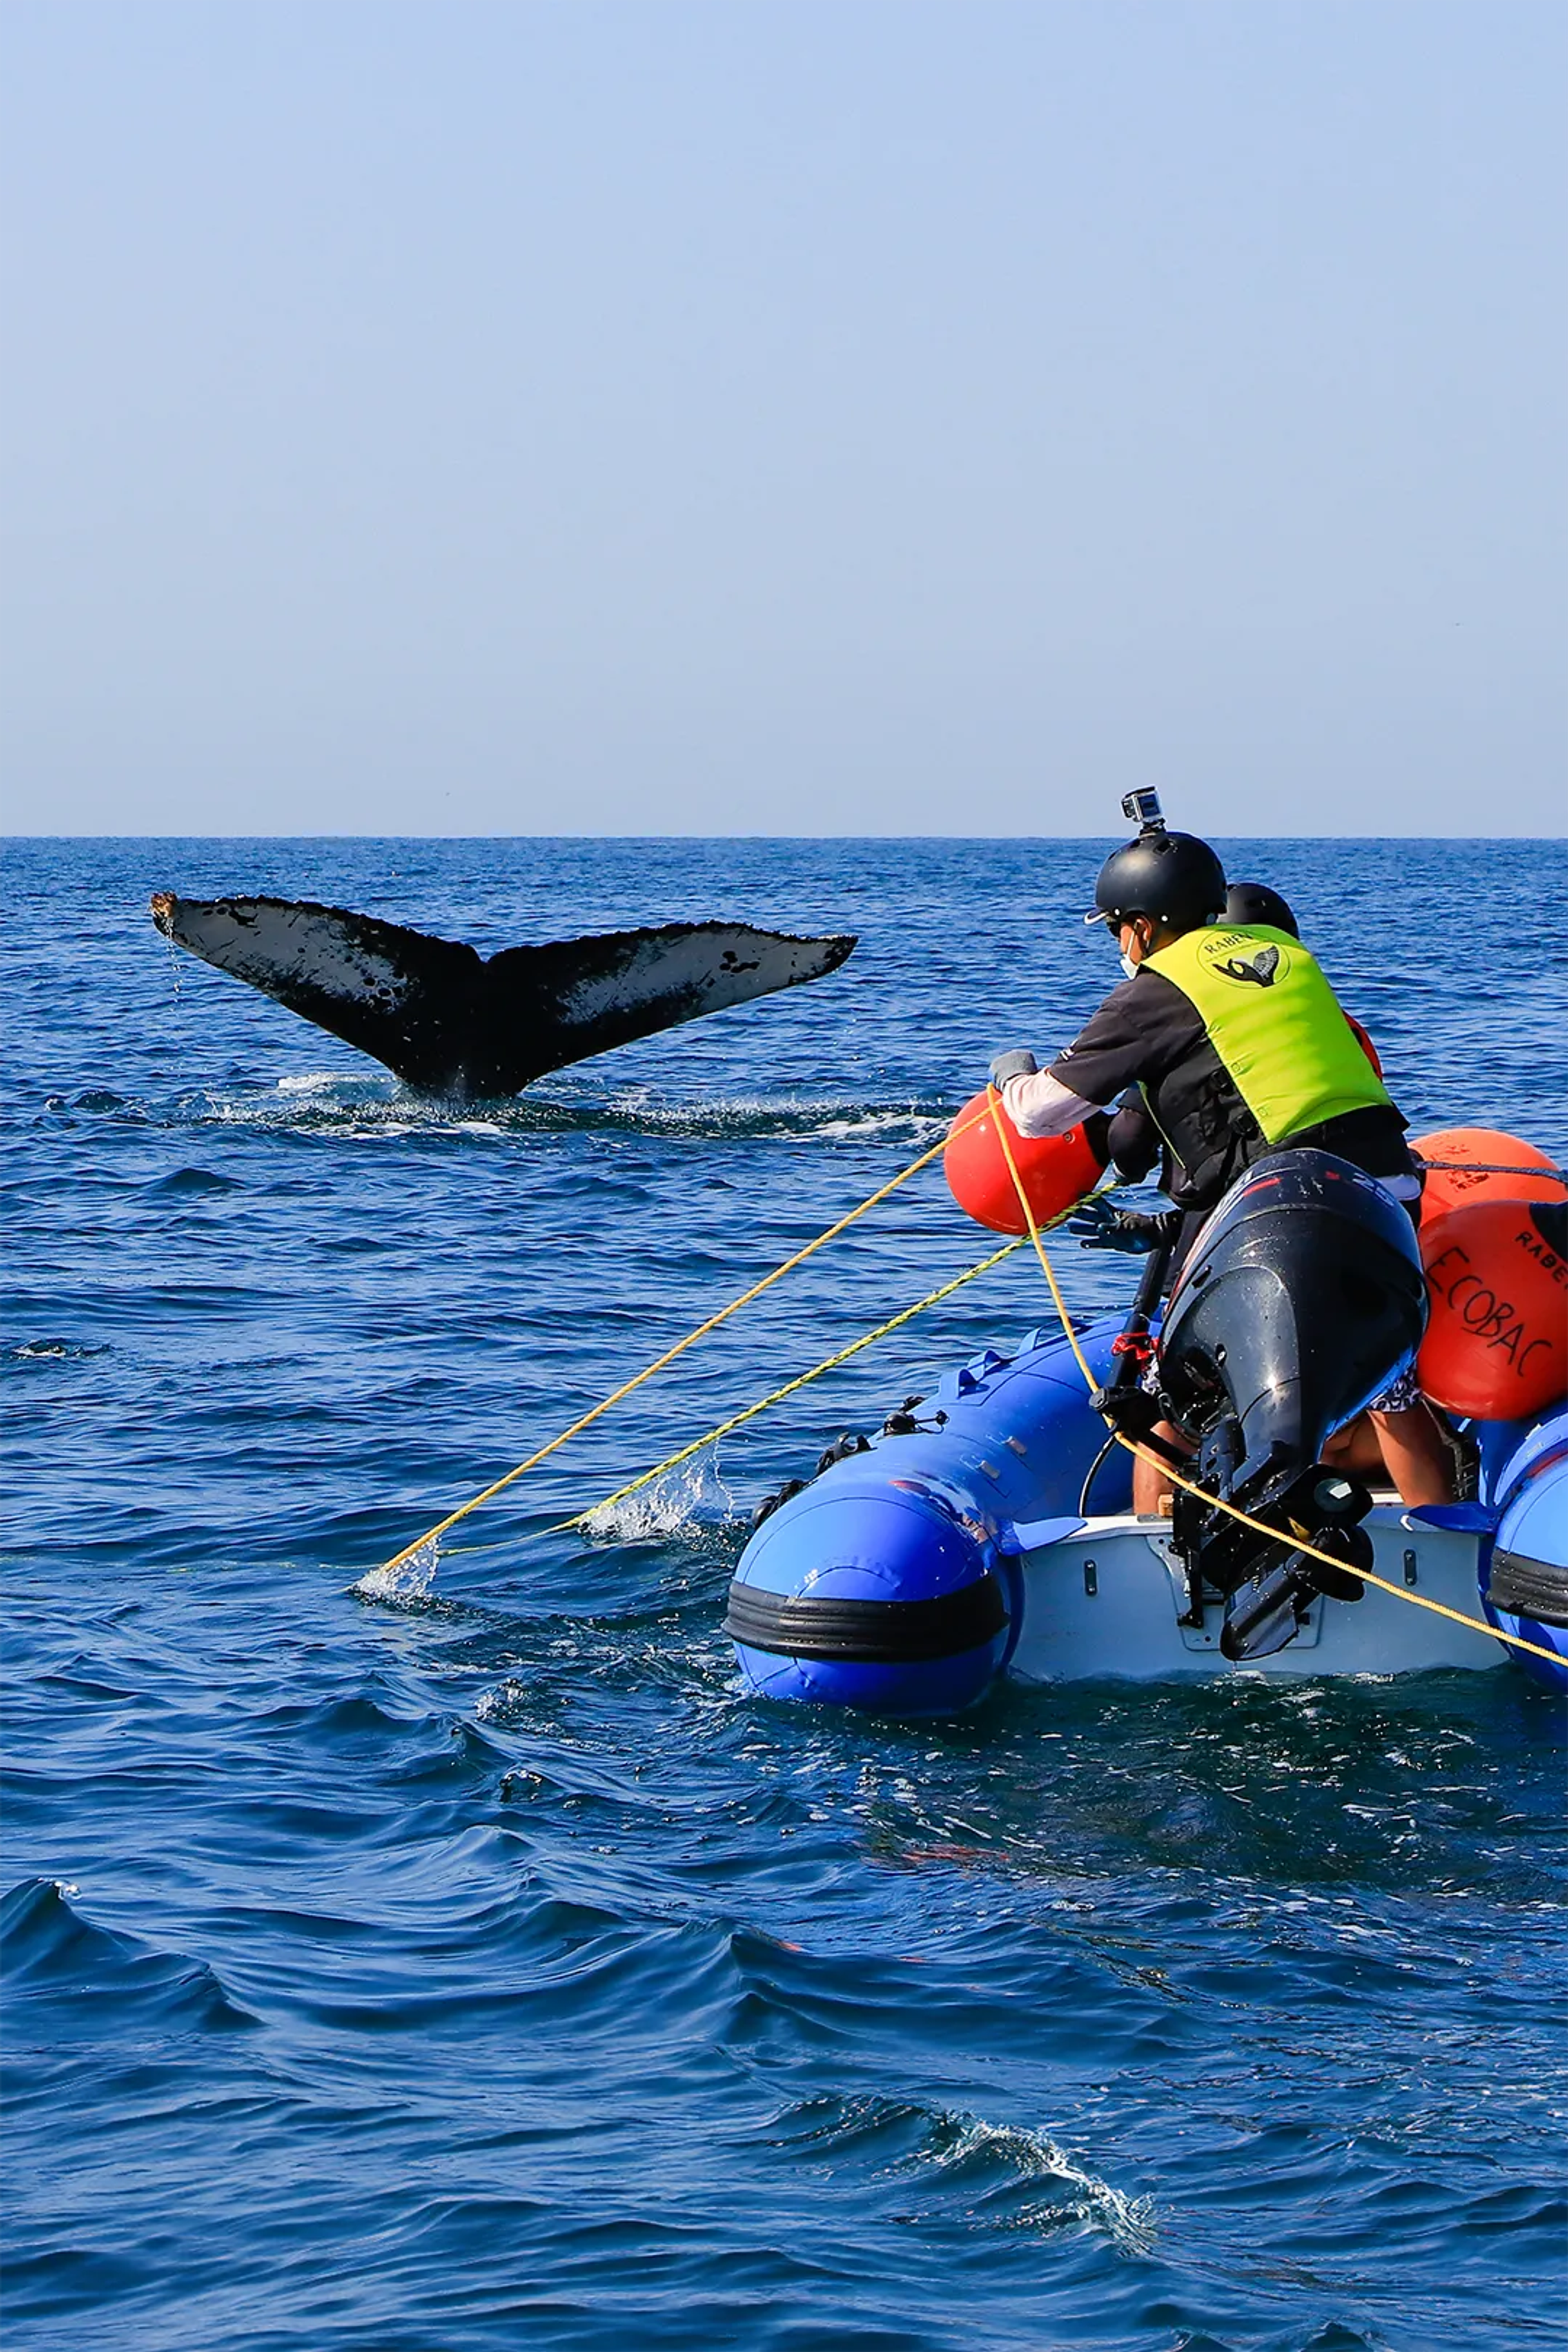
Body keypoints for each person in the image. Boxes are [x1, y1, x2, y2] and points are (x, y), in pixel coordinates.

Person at [988, 811, 1453, 1511]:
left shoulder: (1157, 988)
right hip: (1384, 1198)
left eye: (1117, 926)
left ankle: (1161, 1565)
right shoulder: (1282, 957)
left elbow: (1039, 1113)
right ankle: (1446, 1536)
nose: (1119, 942)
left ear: (1141, 926)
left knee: (1164, 1404)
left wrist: (1011, 1074)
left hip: (1279, 1213)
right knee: (1392, 1388)